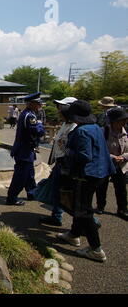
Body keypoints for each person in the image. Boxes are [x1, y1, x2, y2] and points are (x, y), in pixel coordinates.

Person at [56, 100, 115, 262]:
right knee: (80, 205)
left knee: (84, 210)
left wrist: (67, 149)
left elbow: (84, 156)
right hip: (100, 172)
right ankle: (74, 234)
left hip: (86, 175)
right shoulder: (96, 128)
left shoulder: (81, 132)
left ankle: (96, 248)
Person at [39, 98, 77, 226]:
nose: (58, 111)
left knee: (68, 195)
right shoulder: (65, 124)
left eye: (61, 108)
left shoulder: (75, 127)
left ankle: (88, 222)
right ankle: (56, 215)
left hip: (67, 165)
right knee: (57, 191)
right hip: (60, 162)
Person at [6, 92, 45, 206]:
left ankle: (32, 193)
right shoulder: (30, 116)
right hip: (24, 150)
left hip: (26, 149)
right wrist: (40, 124)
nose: (40, 106)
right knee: (21, 176)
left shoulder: (28, 113)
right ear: (31, 104)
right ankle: (12, 198)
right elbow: (38, 132)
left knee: (29, 174)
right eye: (38, 103)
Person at [95, 107, 128, 221]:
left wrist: (123, 157)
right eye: (121, 120)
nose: (124, 122)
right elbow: (99, 148)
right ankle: (100, 206)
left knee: (121, 188)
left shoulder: (126, 132)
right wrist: (112, 157)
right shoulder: (104, 131)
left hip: (121, 164)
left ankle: (122, 209)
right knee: (101, 186)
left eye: (125, 120)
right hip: (105, 163)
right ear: (113, 121)